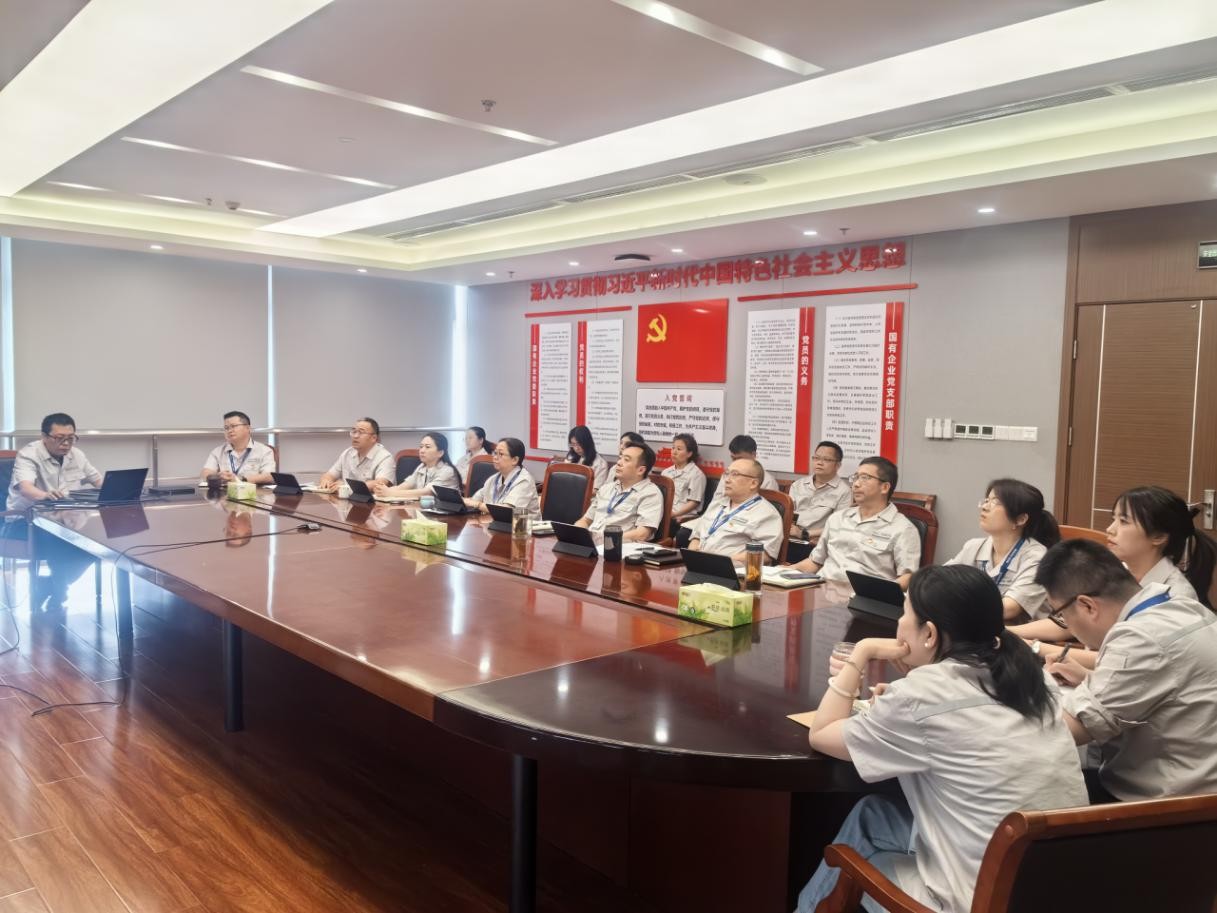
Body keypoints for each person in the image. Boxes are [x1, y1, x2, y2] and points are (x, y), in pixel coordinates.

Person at [797, 565, 1086, 913]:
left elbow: (821, 733)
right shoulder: (1034, 678)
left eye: (904, 613)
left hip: (982, 898)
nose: (898, 624)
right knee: (872, 815)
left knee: (859, 854)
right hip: (1057, 882)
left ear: (930, 633)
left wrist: (862, 652)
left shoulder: (919, 697)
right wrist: (909, 697)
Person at [1036, 539, 1217, 801]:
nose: (1065, 624)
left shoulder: (1140, 638)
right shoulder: (1182, 607)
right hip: (1199, 782)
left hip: (1171, 804)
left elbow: (1069, 730)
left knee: (1038, 791)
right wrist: (1090, 678)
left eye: (1060, 615)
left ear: (1088, 606)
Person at [1012, 485, 1216, 659]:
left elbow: (1127, 659)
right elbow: (1065, 622)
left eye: (1124, 521)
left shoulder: (1176, 596)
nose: (1110, 529)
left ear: (1159, 536)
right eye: (1114, 519)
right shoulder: (1114, 571)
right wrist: (1009, 632)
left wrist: (1034, 647)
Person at [5, 413, 104, 608]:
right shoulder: (29, 454)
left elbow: (97, 480)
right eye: (60, 438)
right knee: (63, 540)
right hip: (24, 522)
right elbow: (25, 488)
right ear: (44, 436)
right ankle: (58, 588)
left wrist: (116, 489)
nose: (66, 444)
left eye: (71, 438)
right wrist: (44, 495)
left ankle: (51, 585)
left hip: (64, 520)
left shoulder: (77, 455)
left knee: (99, 541)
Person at [792, 456, 921, 589]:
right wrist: (782, 572)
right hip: (822, 591)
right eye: (856, 477)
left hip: (864, 596)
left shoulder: (903, 529)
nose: (856, 484)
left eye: (865, 478)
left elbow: (907, 577)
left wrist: (880, 593)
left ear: (884, 487)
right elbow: (815, 562)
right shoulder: (838, 518)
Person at [945, 479, 1060, 622]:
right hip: (978, 627)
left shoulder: (1037, 557)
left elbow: (1008, 609)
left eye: (996, 502)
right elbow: (940, 582)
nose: (984, 507)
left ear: (1020, 519)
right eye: (987, 500)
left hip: (1020, 633)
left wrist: (953, 608)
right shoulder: (973, 547)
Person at [688, 458, 783, 562]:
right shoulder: (717, 504)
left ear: (753, 483)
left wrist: (721, 561)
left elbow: (765, 554)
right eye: (727, 474)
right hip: (700, 564)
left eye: (735, 474)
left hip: (733, 569)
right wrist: (693, 555)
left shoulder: (766, 513)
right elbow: (697, 537)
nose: (727, 480)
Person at [576, 441, 663, 542]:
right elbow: (585, 520)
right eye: (620, 458)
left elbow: (642, 534)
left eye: (626, 460)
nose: (619, 463)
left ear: (641, 470)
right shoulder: (606, 488)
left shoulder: (650, 493)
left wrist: (606, 540)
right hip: (590, 543)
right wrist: (577, 534)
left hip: (617, 547)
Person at [787, 440, 852, 544]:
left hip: (816, 542)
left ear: (838, 465)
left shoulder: (844, 491)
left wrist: (804, 534)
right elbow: (788, 515)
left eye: (826, 459)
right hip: (790, 538)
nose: (819, 463)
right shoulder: (798, 485)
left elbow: (838, 525)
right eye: (816, 458)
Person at [317, 417, 394, 493]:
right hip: (348, 499)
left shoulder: (385, 457)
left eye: (361, 432)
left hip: (373, 500)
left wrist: (347, 487)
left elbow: (380, 483)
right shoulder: (348, 453)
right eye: (354, 432)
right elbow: (329, 475)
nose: (355, 436)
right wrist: (326, 480)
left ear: (373, 438)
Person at [465, 437, 539, 515]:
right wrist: (465, 501)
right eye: (495, 453)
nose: (495, 457)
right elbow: (474, 500)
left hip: (522, 522)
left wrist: (478, 505)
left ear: (515, 460)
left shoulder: (524, 481)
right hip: (497, 521)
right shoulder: (493, 479)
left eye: (501, 454)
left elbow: (507, 511)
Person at [199, 411, 277, 485]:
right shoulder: (218, 451)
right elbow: (205, 472)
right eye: (226, 428)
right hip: (226, 492)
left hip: (255, 492)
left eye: (233, 426)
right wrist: (217, 476)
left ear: (248, 428)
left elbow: (269, 476)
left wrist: (239, 479)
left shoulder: (265, 450)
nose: (229, 430)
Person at [382, 432, 462, 499]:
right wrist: (383, 490)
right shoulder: (422, 467)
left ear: (440, 453)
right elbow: (404, 486)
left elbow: (427, 493)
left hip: (447, 512)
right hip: (426, 509)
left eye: (427, 447)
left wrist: (390, 493)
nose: (422, 451)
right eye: (421, 447)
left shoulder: (447, 471)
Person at [661, 433, 706, 526]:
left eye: (679, 449)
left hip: (683, 517)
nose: (674, 452)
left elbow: (694, 502)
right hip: (664, 513)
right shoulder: (666, 472)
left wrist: (674, 514)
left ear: (689, 453)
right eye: (673, 448)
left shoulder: (696, 474)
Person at [562, 425, 608, 489]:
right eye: (573, 444)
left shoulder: (600, 464)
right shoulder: (570, 458)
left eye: (579, 444)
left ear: (587, 443)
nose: (576, 448)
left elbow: (596, 490)